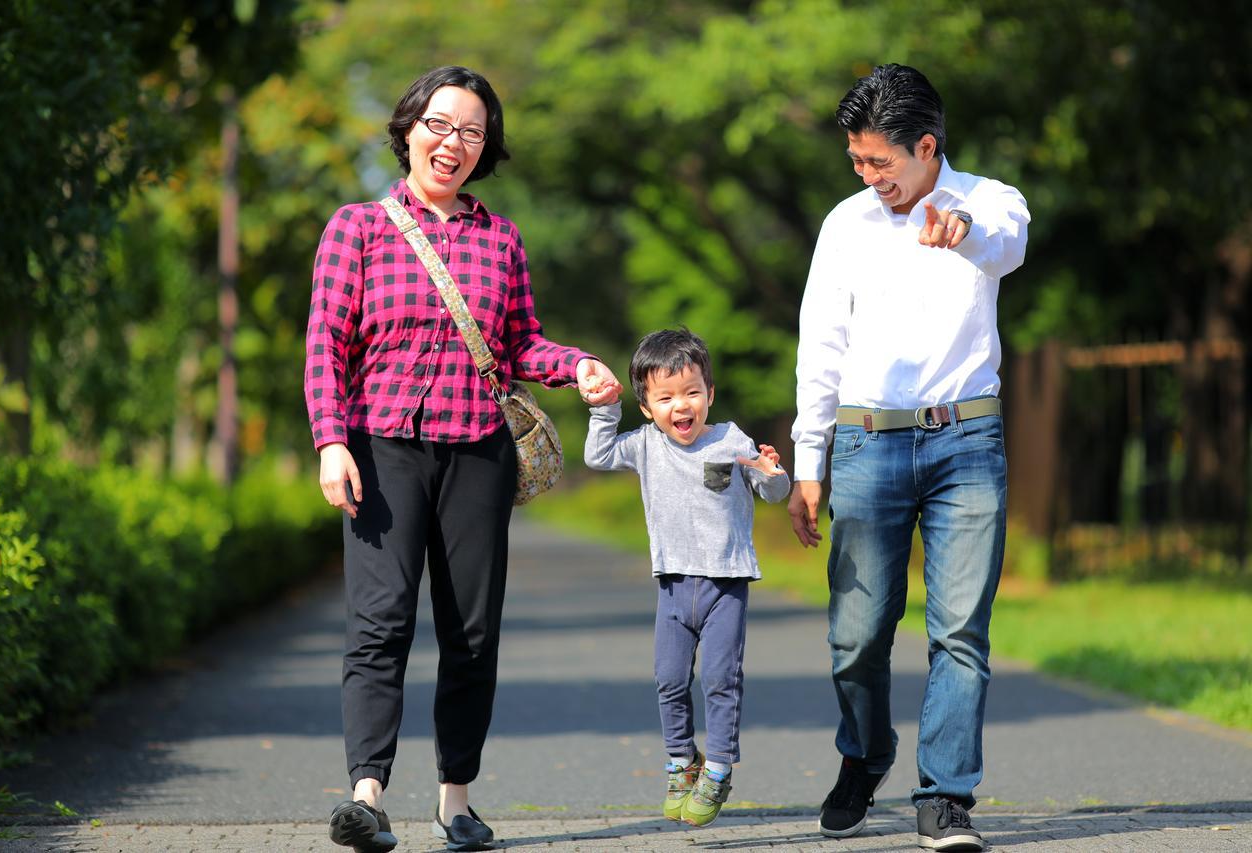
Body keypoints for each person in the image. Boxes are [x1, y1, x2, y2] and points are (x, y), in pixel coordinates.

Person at [305, 65, 621, 853]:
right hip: (382, 448)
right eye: (440, 125)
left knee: (471, 631)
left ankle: (456, 801)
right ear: (409, 127)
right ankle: (367, 796)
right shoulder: (358, 228)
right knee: (380, 620)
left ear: (487, 149)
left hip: (478, 452)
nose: (454, 143)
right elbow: (326, 344)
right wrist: (331, 439)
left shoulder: (499, 238)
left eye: (473, 132)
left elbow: (519, 342)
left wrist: (575, 364)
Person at [787, 64, 1029, 851]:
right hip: (865, 440)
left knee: (960, 628)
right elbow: (820, 348)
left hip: (967, 440)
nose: (867, 177)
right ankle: (866, 751)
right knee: (858, 632)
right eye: (857, 161)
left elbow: (1005, 245)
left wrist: (964, 231)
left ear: (927, 147)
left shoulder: (987, 202)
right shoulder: (845, 224)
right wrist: (808, 461)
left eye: (880, 163)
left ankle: (946, 794)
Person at [584, 328, 790, 828]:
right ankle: (682, 762)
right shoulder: (646, 445)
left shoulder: (731, 438)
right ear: (648, 406)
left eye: (692, 392)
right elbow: (598, 455)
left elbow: (775, 494)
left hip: (725, 584)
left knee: (721, 679)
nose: (682, 405)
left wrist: (771, 472)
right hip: (674, 585)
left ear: (710, 395)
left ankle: (718, 769)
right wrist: (602, 411)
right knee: (669, 679)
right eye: (666, 396)